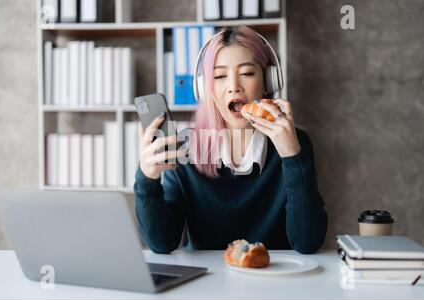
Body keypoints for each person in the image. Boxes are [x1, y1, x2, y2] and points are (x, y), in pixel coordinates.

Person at [134, 26, 328, 254]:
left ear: (269, 81)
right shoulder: (183, 150)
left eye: (246, 73)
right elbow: (162, 243)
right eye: (219, 76)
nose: (234, 87)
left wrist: (292, 157)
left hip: (275, 281)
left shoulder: (295, 142)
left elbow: (308, 242)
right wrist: (147, 179)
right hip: (208, 285)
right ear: (205, 89)